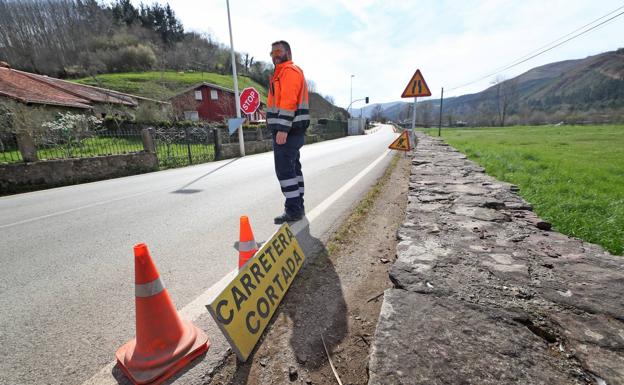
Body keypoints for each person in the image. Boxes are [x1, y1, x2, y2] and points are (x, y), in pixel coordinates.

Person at [267, 40, 310, 224]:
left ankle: (293, 210)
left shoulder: (289, 72)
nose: (274, 55)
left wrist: (283, 128)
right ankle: (298, 206)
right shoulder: (280, 74)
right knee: (294, 169)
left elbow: (289, 102)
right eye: (271, 53)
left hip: (288, 131)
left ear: (288, 53)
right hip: (291, 130)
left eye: (278, 51)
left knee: (285, 171)